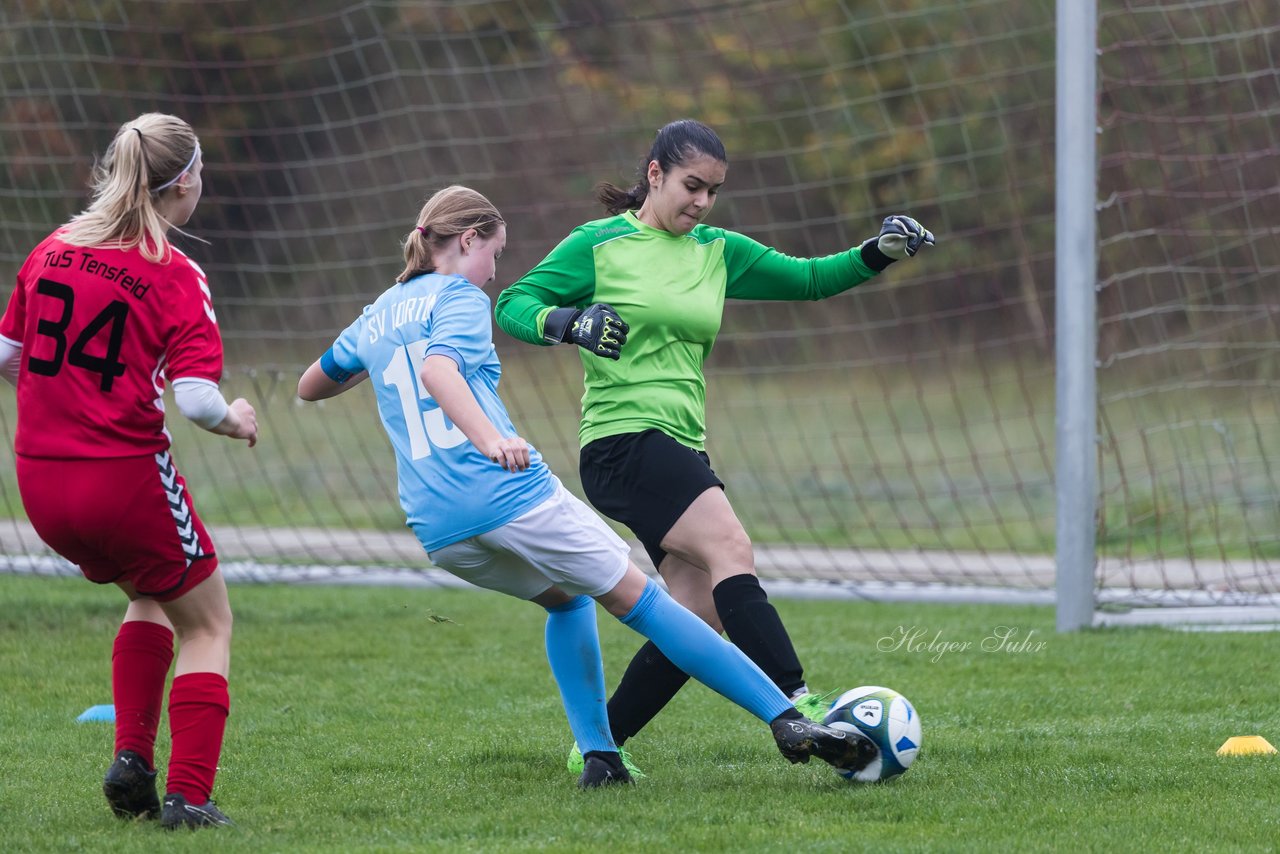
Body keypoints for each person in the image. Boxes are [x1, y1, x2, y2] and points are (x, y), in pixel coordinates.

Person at [296, 185, 877, 788]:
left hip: (437, 526)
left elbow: (312, 384)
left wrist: (378, 356)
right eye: (494, 254)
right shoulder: (460, 296)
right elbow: (437, 369)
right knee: (648, 603)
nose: (494, 273)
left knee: (567, 599)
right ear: (467, 240)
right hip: (507, 493)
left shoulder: (378, 312)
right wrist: (489, 440)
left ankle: (600, 758)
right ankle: (784, 715)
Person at [493, 119, 935, 772]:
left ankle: (598, 748)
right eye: (690, 186)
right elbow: (512, 303)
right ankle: (798, 703)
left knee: (696, 615)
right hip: (620, 442)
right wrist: (566, 321)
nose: (700, 202)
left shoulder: (717, 250)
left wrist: (880, 251)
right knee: (731, 546)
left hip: (680, 448)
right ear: (654, 175)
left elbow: (810, 280)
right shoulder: (600, 244)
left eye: (712, 192)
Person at [0, 113, 257, 830]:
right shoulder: (175, 273)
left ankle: (133, 764)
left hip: (40, 485)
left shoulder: (52, 250)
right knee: (209, 623)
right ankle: (190, 798)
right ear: (183, 184)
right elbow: (199, 401)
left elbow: (6, 356)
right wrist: (238, 418)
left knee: (150, 591)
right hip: (121, 476)